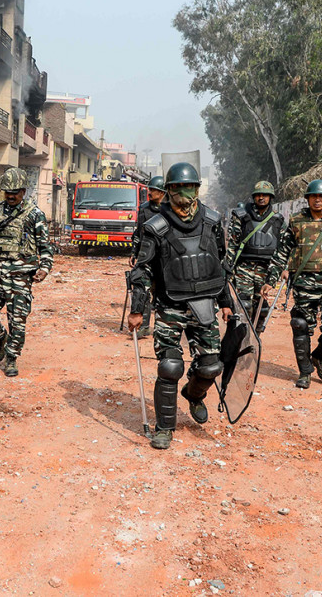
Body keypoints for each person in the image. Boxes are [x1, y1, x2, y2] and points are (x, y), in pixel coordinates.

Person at [127, 162, 233, 450]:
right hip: (169, 306)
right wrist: (137, 309)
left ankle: (194, 394)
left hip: (205, 304)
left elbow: (219, 266)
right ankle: (164, 428)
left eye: (188, 187)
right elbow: (142, 270)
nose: (183, 193)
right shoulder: (155, 227)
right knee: (170, 366)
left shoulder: (211, 221)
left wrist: (226, 302)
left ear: (197, 189)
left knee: (211, 366)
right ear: (168, 191)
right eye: (176, 188)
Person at [261, 179, 322, 389]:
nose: (317, 200)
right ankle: (304, 371)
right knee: (300, 324)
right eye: (313, 196)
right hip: (304, 282)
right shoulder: (296, 222)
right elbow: (282, 252)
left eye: (321, 196)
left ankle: (319, 357)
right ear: (308, 199)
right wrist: (270, 281)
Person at [0, 167, 53, 378]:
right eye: (7, 192)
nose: (11, 196)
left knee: (17, 321)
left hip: (20, 276)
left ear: (23, 191)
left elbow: (46, 247)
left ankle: (12, 357)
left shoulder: (34, 214)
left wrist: (44, 268)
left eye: (15, 192)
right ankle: (1, 339)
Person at [226, 181, 283, 332]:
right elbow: (233, 243)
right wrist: (227, 267)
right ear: (254, 197)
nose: (261, 198)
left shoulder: (278, 219)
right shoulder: (241, 216)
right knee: (244, 304)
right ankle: (242, 336)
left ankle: (255, 336)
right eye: (258, 195)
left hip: (266, 268)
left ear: (271, 197)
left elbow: (282, 249)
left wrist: (279, 271)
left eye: (265, 195)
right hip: (244, 266)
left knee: (261, 307)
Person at [127, 175, 166, 336]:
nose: (149, 192)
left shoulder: (170, 210)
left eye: (153, 190)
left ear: (162, 192)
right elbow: (138, 232)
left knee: (162, 294)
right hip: (146, 257)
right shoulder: (144, 209)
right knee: (142, 289)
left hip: (164, 258)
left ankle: (164, 327)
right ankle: (143, 326)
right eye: (149, 189)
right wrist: (134, 252)